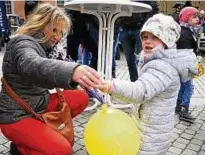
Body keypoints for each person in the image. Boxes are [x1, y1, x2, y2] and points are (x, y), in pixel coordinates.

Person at [0, 3, 101, 155]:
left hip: (37, 105)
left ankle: (39, 135)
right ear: (40, 24)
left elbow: (49, 68)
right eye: (54, 29)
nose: (58, 36)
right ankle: (22, 148)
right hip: (16, 116)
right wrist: (72, 71)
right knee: (62, 149)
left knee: (81, 97)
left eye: (60, 32)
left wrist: (78, 81)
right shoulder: (21, 43)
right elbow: (33, 65)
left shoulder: (43, 46)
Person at [100, 13, 198, 154]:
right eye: (145, 37)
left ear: (167, 40)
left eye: (155, 37)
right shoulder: (154, 60)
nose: (148, 41)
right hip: (149, 127)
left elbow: (142, 91)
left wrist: (112, 86)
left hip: (152, 136)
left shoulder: (163, 67)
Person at [118, 0, 159, 82]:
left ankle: (143, 82)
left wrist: (146, 25)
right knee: (130, 60)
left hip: (140, 29)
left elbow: (154, 8)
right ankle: (135, 83)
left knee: (141, 58)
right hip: (125, 29)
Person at [175, 7, 200, 123]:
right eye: (194, 17)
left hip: (180, 64)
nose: (197, 19)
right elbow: (186, 53)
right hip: (185, 65)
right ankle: (184, 110)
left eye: (197, 17)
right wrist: (193, 67)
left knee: (182, 86)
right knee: (189, 87)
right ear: (186, 18)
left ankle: (178, 106)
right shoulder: (186, 33)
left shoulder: (184, 30)